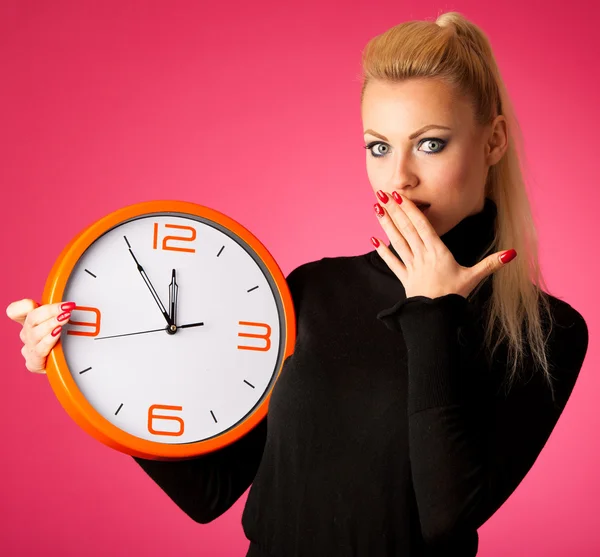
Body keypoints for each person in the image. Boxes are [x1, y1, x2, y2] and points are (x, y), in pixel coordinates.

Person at [6, 11, 589, 557]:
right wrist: (87, 372)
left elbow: (446, 515)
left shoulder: (546, 332)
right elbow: (210, 492)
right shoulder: (312, 290)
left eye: (430, 143)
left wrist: (433, 312)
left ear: (493, 141)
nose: (399, 176)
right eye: (378, 147)